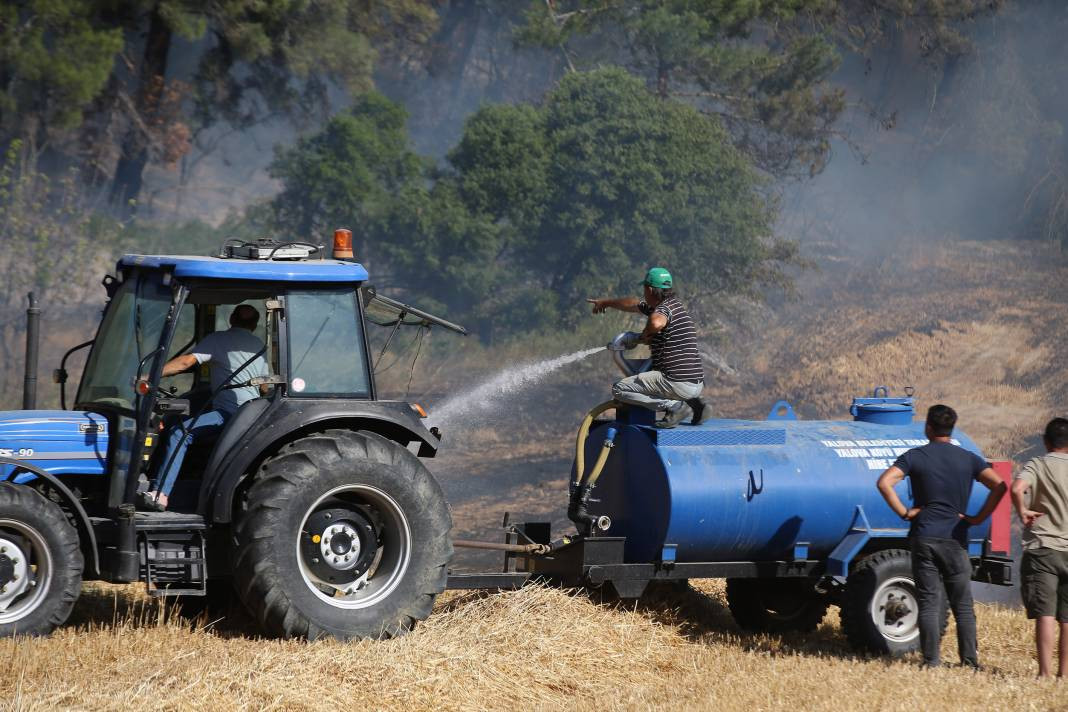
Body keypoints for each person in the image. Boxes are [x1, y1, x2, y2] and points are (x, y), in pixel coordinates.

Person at [876, 404, 1007, 669]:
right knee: (963, 605)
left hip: (924, 535)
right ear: (952, 428)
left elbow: (884, 482)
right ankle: (969, 662)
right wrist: (978, 518)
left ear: (928, 428)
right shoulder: (968, 458)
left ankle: (931, 661)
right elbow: (1000, 485)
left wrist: (905, 512)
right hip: (955, 537)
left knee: (928, 602)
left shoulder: (915, 456)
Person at [141, 304, 268, 510]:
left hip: (228, 414)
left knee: (179, 433)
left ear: (232, 320)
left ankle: (160, 493)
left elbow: (185, 363)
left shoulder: (217, 340)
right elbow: (264, 386)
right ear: (254, 325)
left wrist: (149, 376)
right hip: (250, 415)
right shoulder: (259, 345)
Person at [587, 267, 709, 429]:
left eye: (644, 288)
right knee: (660, 372)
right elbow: (633, 304)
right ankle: (697, 404)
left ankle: (675, 407)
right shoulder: (674, 306)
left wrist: (644, 335)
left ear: (650, 289)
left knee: (620, 389)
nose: (643, 293)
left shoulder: (663, 310)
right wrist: (606, 303)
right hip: (696, 384)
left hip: (678, 384)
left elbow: (656, 322)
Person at [1012, 417, 1068, 678]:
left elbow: (1017, 487)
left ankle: (1044, 674)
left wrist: (1022, 510)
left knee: (1045, 613)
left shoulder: (1038, 464)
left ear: (1046, 442)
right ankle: (1064, 675)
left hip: (1043, 548)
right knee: (1066, 618)